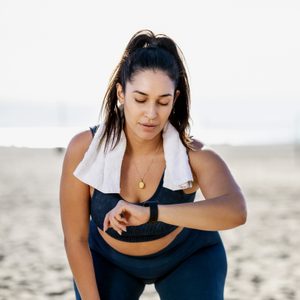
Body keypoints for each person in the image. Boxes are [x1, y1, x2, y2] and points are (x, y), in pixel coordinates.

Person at [59, 29, 247, 300]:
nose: (151, 113)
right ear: (121, 94)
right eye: (140, 99)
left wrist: (152, 213)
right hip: (108, 259)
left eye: (163, 102)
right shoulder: (84, 149)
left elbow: (236, 211)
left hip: (188, 257)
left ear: (175, 100)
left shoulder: (193, 155)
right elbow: (74, 239)